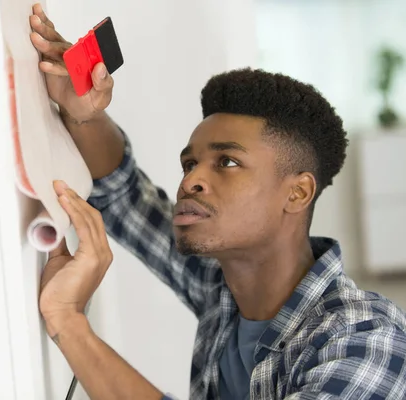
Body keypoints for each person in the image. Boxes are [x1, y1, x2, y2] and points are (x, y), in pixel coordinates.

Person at [28, 4, 406, 399]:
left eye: (227, 162)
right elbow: (124, 195)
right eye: (189, 163)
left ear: (298, 193)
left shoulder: (365, 340)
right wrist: (82, 113)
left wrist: (69, 324)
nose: (191, 180)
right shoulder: (223, 286)